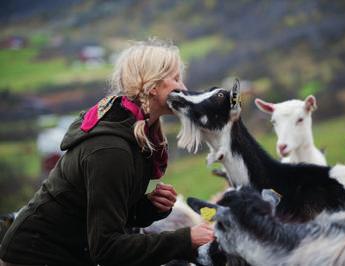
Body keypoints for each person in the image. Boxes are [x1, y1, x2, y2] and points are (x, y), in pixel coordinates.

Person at [0, 39, 215, 266]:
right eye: (176, 78)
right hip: (33, 256)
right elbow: (107, 248)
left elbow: (104, 213)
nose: (183, 88)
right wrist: (185, 239)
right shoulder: (112, 150)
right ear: (152, 86)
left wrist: (149, 207)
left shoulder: (132, 134)